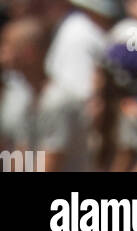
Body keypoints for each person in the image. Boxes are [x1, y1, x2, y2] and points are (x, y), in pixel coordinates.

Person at [0, 16, 92, 171]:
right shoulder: (27, 98)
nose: (2, 53)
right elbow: (21, 159)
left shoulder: (58, 102)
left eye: (7, 46)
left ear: (29, 52)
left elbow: (49, 164)